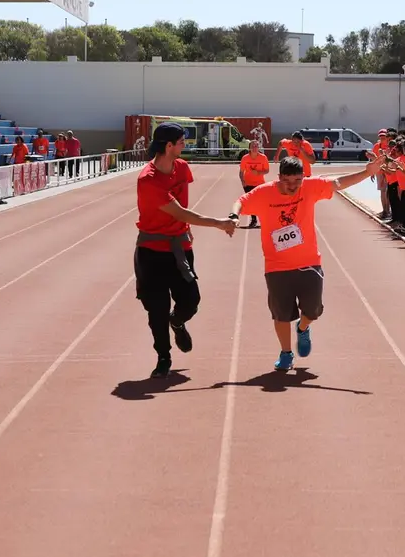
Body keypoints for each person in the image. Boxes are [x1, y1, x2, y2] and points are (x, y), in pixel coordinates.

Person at [230, 152, 382, 372]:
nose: (292, 186)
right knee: (281, 314)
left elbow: (338, 183)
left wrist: (367, 172)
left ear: (303, 177)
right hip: (277, 265)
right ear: (279, 177)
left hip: (309, 261)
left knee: (313, 310)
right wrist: (234, 217)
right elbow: (241, 202)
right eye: (287, 181)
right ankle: (286, 353)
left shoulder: (310, 188)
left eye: (297, 181)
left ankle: (302, 328)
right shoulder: (265, 193)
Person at [135, 123, 236, 379]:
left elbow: (183, 211)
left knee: (191, 300)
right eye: (181, 142)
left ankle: (177, 322)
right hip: (152, 251)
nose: (185, 146)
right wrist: (219, 223)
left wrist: (185, 227)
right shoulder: (148, 180)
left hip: (180, 248)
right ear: (168, 146)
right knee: (156, 308)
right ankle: (163, 356)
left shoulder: (182, 167)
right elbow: (180, 211)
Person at [238, 139, 270, 228]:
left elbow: (267, 170)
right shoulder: (245, 158)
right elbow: (241, 172)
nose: (255, 148)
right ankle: (254, 220)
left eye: (256, 146)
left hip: (260, 184)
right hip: (248, 184)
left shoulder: (263, 157)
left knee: (261, 202)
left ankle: (264, 219)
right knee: (251, 203)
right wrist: (243, 181)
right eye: (253, 146)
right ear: (249, 148)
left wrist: (259, 173)